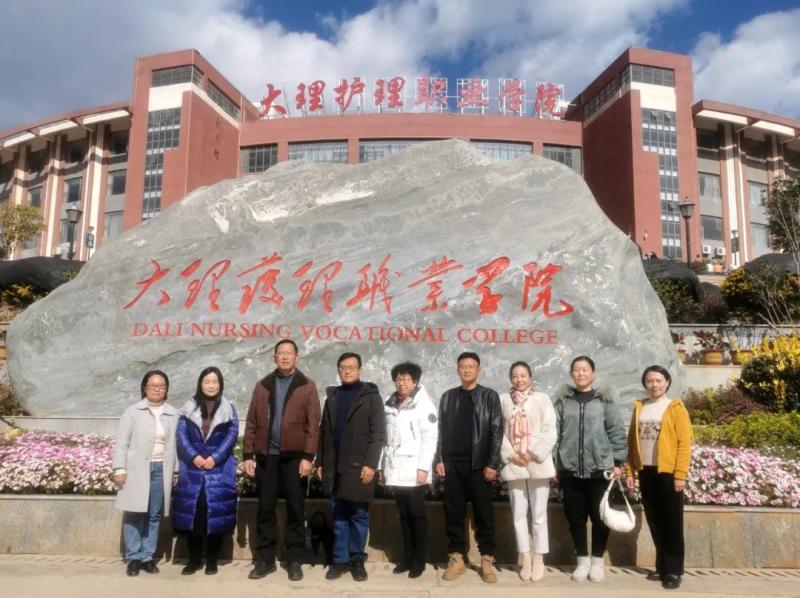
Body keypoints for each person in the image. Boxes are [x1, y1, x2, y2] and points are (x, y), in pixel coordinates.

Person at [242, 339, 321, 581]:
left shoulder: (307, 386)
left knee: (296, 509)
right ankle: (265, 560)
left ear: (297, 357)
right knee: (265, 509)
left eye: (289, 353)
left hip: (295, 459)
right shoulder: (263, 385)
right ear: (274, 357)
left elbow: (313, 425)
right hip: (267, 458)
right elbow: (252, 421)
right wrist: (248, 455)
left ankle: (294, 560)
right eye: (281, 353)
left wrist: (308, 457)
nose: (285, 357)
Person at [554, 356, 626, 583]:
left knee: (600, 517)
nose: (581, 373)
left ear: (593, 373)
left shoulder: (604, 400)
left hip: (599, 468)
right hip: (570, 469)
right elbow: (555, 434)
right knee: (575, 518)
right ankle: (582, 561)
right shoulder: (563, 401)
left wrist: (617, 461)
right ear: (571, 374)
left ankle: (597, 562)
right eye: (576, 370)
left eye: (585, 370)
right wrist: (556, 464)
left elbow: (616, 432)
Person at [317, 352, 386, 582]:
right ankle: (340, 560)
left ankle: (357, 560)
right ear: (338, 370)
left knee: (358, 515)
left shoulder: (371, 397)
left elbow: (378, 433)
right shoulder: (333, 396)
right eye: (343, 367)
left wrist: (371, 464)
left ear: (360, 370)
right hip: (335, 465)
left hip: (359, 466)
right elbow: (324, 432)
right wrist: (320, 462)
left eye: (351, 367)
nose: (347, 371)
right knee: (339, 514)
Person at [435, 352, 502, 584]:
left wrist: (493, 463)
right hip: (453, 465)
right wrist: (439, 458)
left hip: (480, 466)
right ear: (457, 369)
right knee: (453, 512)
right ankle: (457, 557)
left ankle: (487, 558)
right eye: (462, 366)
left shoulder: (489, 396)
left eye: (471, 366)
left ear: (478, 370)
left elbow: (496, 431)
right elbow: (440, 431)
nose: (466, 370)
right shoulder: (448, 397)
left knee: (484, 514)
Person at [625, 365, 692, 591]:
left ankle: (674, 570)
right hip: (646, 471)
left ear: (667, 383)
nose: (654, 384)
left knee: (672, 522)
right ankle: (661, 566)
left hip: (668, 472)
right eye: (650, 381)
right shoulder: (640, 407)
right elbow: (631, 442)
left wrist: (680, 474)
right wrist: (630, 471)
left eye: (658, 380)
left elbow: (684, 443)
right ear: (645, 384)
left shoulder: (675, 408)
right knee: (654, 520)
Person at [172, 367, 239, 575]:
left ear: (220, 384)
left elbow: (232, 435)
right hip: (192, 469)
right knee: (193, 514)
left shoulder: (228, 408)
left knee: (215, 515)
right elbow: (181, 435)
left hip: (218, 469)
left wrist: (214, 458)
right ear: (200, 384)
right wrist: (194, 456)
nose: (211, 385)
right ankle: (194, 560)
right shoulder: (189, 407)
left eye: (214, 381)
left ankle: (211, 560)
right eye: (207, 381)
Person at [112, 370, 179, 577]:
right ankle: (133, 557)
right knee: (134, 512)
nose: (157, 389)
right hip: (136, 469)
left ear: (166, 389)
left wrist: (176, 470)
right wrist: (119, 468)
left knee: (154, 513)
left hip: (161, 468)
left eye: (161, 386)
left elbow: (176, 445)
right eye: (153, 386)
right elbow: (121, 442)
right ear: (145, 388)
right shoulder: (133, 412)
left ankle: (147, 556)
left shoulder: (173, 413)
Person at [499, 361, 556, 582]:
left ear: (530, 377)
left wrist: (532, 453)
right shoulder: (504, 400)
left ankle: (539, 557)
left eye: (523, 375)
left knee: (539, 514)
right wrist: (511, 455)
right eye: (515, 375)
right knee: (518, 514)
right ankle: (525, 556)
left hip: (537, 462)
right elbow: (498, 431)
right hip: (514, 462)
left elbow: (549, 430)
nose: (519, 379)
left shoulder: (542, 399)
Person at [382, 362, 438, 578]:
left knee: (417, 514)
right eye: (398, 379)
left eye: (406, 379)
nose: (402, 383)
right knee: (404, 515)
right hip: (396, 469)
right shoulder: (390, 403)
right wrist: (383, 467)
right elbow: (386, 439)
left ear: (415, 382)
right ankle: (406, 557)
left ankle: (419, 560)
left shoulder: (424, 405)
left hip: (415, 470)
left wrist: (424, 468)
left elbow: (430, 438)